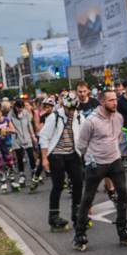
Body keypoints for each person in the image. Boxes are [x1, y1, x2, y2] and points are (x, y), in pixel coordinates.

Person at [73, 89, 127, 249]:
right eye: (111, 100)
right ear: (102, 102)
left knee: (123, 194)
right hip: (95, 164)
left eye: (115, 99)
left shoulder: (118, 117)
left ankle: (122, 228)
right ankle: (79, 234)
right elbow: (81, 145)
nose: (115, 103)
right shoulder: (91, 121)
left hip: (114, 161)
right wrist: (91, 159)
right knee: (88, 199)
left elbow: (118, 138)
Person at [39, 92, 85, 232]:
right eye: (69, 109)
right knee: (58, 185)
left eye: (74, 109)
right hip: (56, 154)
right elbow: (44, 137)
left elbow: (84, 135)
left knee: (78, 182)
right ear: (63, 106)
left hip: (72, 154)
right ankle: (53, 216)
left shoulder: (79, 117)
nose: (71, 112)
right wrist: (45, 158)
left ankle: (77, 213)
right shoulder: (55, 117)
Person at [8, 98, 36, 190]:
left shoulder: (26, 113)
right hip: (17, 139)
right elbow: (8, 125)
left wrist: (33, 135)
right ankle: (22, 174)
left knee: (31, 156)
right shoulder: (11, 115)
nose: (20, 110)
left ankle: (33, 171)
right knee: (20, 158)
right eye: (19, 108)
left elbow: (29, 125)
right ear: (15, 107)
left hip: (27, 138)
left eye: (22, 108)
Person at [0, 105, 16, 192]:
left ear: (1, 113)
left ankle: (12, 178)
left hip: (6, 142)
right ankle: (3, 180)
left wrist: (8, 129)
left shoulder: (6, 120)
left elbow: (14, 130)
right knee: (0, 161)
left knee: (9, 161)